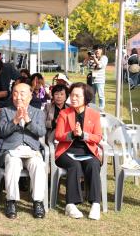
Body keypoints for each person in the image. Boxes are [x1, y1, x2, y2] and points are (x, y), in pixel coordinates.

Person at [0, 83, 46, 219]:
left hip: (31, 149)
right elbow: (1, 132)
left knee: (38, 164)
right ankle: (11, 201)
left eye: (22, 93)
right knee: (12, 163)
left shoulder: (38, 112)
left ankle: (38, 202)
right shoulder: (6, 111)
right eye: (15, 93)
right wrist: (15, 120)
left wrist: (28, 121)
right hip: (12, 149)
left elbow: (41, 132)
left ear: (31, 96)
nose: (18, 96)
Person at [54, 82, 102, 220]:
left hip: (87, 151)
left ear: (86, 98)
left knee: (93, 164)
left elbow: (98, 137)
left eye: (77, 96)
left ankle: (95, 204)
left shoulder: (94, 115)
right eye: (72, 95)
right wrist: (72, 134)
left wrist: (82, 135)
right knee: (74, 165)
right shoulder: (64, 113)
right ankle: (70, 204)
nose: (73, 98)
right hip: (66, 151)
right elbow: (58, 135)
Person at [86, 45, 108, 111]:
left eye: (99, 49)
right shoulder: (92, 58)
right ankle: (92, 108)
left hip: (100, 80)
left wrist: (94, 58)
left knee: (101, 95)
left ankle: (101, 109)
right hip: (92, 80)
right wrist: (88, 57)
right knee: (92, 95)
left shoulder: (104, 58)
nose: (97, 50)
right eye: (96, 49)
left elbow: (100, 66)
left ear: (101, 50)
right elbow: (84, 64)